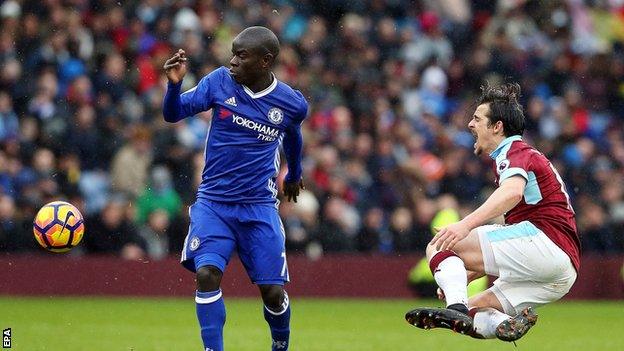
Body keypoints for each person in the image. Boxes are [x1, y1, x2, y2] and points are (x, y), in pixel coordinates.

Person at [162, 26, 307, 351]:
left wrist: (294, 173)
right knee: (208, 274)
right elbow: (173, 114)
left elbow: (294, 137)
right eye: (233, 54)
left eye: (241, 56)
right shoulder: (218, 83)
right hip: (214, 203)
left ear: (265, 60)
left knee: (272, 292)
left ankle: (279, 346)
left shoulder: (290, 103)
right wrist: (173, 86)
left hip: (259, 206)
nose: (232, 62)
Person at [405, 83, 579, 342]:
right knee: (475, 310)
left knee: (441, 245)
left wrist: (464, 225)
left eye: (477, 119)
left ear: (497, 126)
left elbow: (512, 193)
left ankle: (455, 307)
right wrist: (466, 275)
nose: (470, 125)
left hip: (545, 242)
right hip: (563, 271)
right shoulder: (526, 155)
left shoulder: (513, 150)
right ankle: (503, 324)